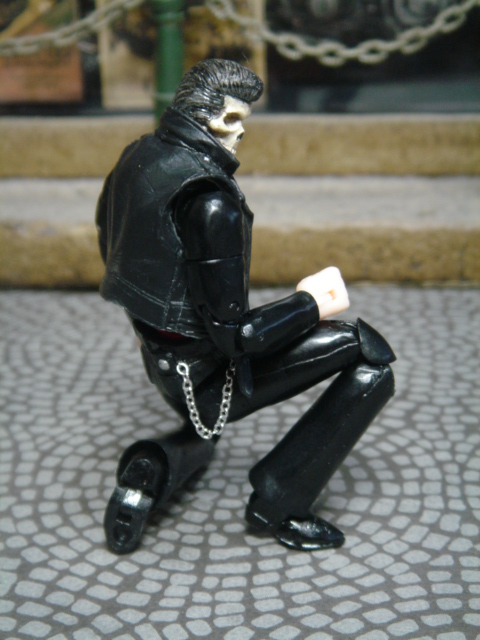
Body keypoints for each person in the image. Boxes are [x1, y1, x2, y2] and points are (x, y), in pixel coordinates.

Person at [96, 59, 395, 555]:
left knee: (202, 435)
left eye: (243, 121)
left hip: (160, 359)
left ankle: (152, 464)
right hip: (205, 376)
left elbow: (109, 240)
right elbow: (238, 338)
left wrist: (156, 322)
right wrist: (312, 302)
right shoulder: (211, 203)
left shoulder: (137, 156)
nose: (239, 134)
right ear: (199, 115)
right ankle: (280, 501)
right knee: (369, 353)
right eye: (230, 120)